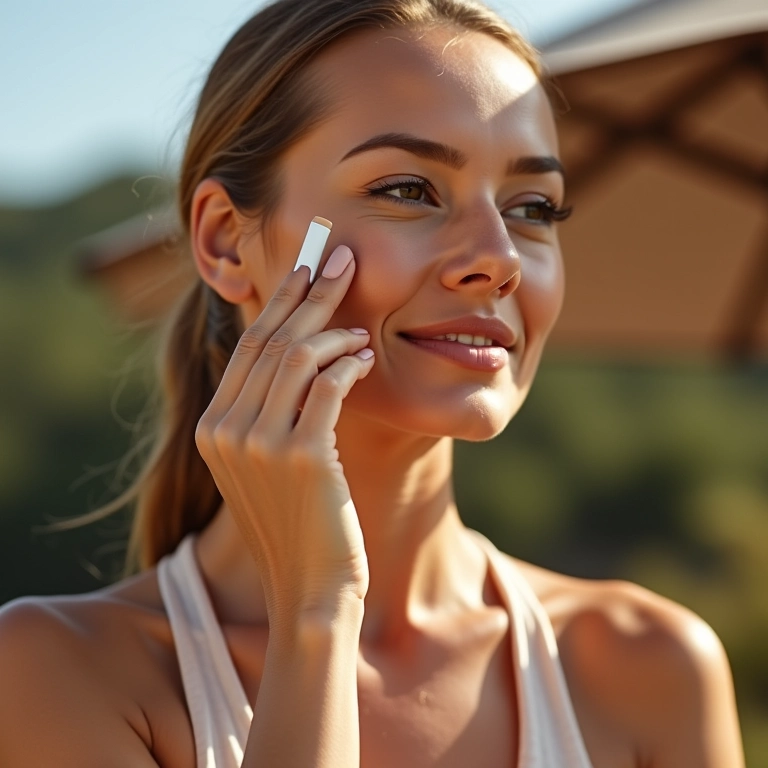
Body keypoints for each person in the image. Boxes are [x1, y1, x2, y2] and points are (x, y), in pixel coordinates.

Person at [0, 1, 745, 766]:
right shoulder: (60, 671)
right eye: (408, 190)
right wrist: (316, 614)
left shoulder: (649, 666)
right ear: (225, 240)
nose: (500, 257)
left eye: (533, 208)